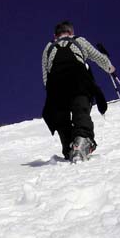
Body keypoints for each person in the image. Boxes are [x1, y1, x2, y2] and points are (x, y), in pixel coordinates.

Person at [42, 20, 115, 162]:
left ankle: (69, 149)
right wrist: (110, 68)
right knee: (80, 110)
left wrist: (51, 94)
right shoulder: (79, 40)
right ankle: (82, 142)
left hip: (55, 86)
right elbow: (98, 57)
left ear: (55, 35)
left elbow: (45, 74)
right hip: (79, 80)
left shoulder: (48, 47)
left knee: (62, 119)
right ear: (71, 32)